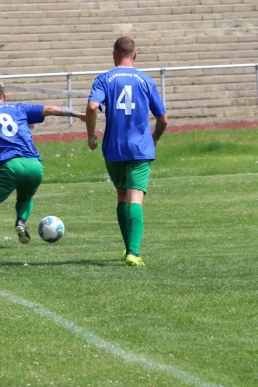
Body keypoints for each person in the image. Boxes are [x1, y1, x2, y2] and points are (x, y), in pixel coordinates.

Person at [0, 80, 85, 251]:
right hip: (34, 165)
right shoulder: (20, 108)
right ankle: (21, 221)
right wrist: (79, 114)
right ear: (4, 96)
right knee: (25, 197)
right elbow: (52, 109)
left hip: (10, 165)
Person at [86, 37, 168, 266]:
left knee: (122, 195)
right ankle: (133, 252)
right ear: (135, 55)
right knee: (135, 197)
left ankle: (127, 250)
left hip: (113, 147)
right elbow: (163, 119)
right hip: (140, 148)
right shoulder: (146, 80)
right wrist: (154, 139)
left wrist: (90, 134)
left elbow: (93, 106)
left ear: (114, 55)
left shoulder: (104, 79)